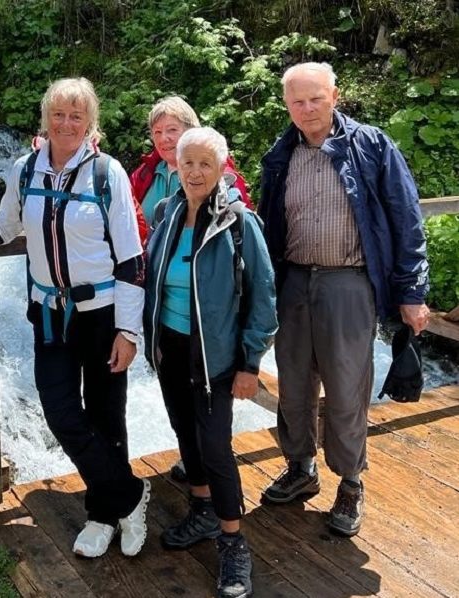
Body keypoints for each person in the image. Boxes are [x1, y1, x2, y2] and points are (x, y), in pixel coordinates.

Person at [0, 77, 151, 558]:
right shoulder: (26, 170)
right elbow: (0, 230)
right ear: (46, 119)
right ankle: (131, 495)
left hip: (101, 315)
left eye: (76, 116)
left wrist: (129, 331)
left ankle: (102, 515)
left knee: (106, 416)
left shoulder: (107, 173)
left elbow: (130, 259)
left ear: (90, 122)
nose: (66, 124)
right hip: (50, 315)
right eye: (58, 115)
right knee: (60, 411)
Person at [258, 62, 430, 537]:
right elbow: (267, 224)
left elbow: (406, 219)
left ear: (335, 96)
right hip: (293, 280)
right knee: (293, 384)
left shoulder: (372, 146)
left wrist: (412, 292)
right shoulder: (281, 153)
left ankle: (351, 481)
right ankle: (300, 467)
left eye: (316, 98)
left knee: (347, 387)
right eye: (297, 101)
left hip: (349, 282)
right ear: (287, 105)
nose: (307, 108)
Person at [144, 127, 277, 598]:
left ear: (222, 167)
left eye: (205, 163)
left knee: (216, 446)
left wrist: (250, 364)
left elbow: (264, 296)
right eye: (188, 163)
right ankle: (201, 509)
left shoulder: (239, 223)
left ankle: (233, 541)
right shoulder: (166, 212)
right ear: (176, 167)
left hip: (216, 355)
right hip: (171, 348)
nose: (195, 172)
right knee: (185, 432)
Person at [130, 95, 251, 228]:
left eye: (172, 130)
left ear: (191, 131)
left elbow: (241, 225)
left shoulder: (221, 175)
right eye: (157, 132)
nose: (164, 138)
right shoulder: (143, 175)